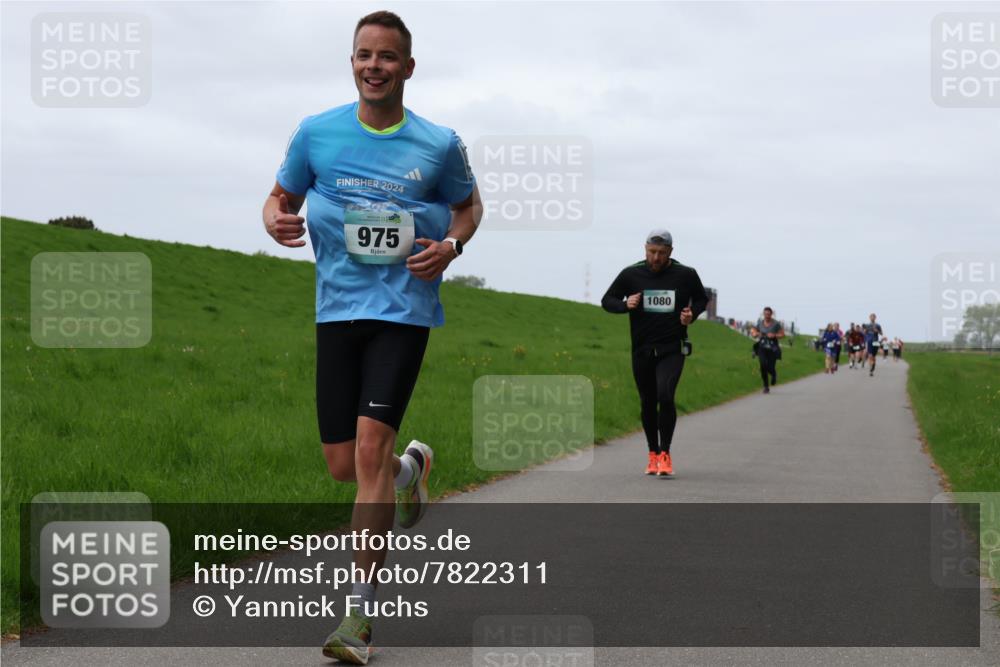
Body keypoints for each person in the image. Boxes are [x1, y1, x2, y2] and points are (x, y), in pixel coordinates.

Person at [262, 11, 481, 664]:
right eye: (364, 55)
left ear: (408, 68)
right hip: (336, 313)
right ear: (352, 62)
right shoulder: (316, 133)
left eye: (388, 57)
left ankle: (358, 614)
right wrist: (275, 218)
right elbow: (278, 197)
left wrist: (451, 244)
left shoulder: (438, 144)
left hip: (403, 311)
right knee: (345, 465)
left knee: (366, 447)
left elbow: (468, 207)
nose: (374, 66)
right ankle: (410, 470)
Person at [602, 229, 709, 477]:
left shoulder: (686, 274)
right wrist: (624, 305)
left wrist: (692, 314)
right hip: (641, 349)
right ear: (645, 249)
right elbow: (607, 300)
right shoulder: (631, 274)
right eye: (652, 252)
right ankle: (652, 453)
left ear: (671, 252)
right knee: (648, 401)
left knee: (665, 395)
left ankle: (665, 453)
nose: (656, 258)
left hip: (672, 347)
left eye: (661, 253)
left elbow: (702, 299)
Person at [751, 307, 785, 392]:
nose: (766, 316)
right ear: (763, 314)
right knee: (763, 365)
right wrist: (755, 333)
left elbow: (782, 334)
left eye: (768, 314)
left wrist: (774, 335)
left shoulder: (776, 324)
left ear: (771, 314)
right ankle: (766, 386)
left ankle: (774, 375)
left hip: (772, 348)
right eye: (765, 314)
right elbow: (754, 330)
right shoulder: (760, 323)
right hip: (762, 347)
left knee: (770, 367)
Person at [862, 313, 884, 377]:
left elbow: (881, 333)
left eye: (873, 317)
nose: (872, 318)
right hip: (869, 341)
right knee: (870, 355)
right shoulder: (867, 325)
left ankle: (873, 365)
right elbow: (864, 333)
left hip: (875, 341)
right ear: (869, 318)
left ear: (875, 318)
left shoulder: (878, 325)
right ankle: (870, 370)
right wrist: (865, 331)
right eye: (871, 317)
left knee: (873, 356)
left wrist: (877, 331)